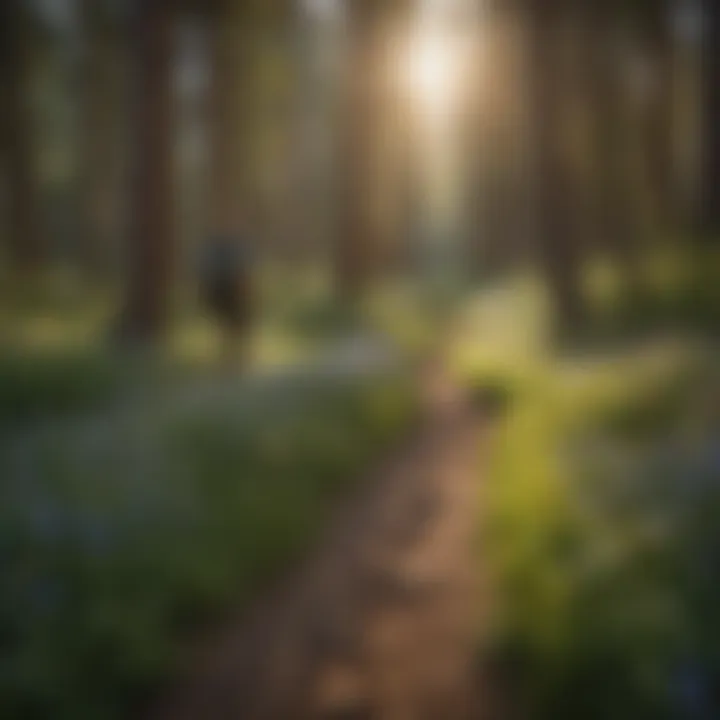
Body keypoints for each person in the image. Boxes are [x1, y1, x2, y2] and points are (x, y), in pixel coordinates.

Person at [199, 234, 254, 368]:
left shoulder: (233, 249)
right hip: (225, 294)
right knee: (228, 327)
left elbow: (242, 277)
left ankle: (235, 358)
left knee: (235, 327)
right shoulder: (218, 252)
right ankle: (229, 358)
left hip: (233, 295)